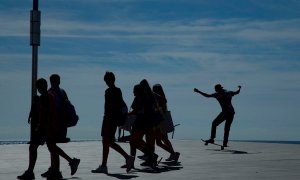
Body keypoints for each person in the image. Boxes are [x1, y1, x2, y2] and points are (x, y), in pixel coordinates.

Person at [92, 71, 134, 174]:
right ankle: (126, 158)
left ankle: (105, 165)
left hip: (108, 120)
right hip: (113, 120)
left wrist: (108, 118)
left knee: (106, 141)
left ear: (106, 80)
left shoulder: (109, 92)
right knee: (108, 142)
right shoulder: (118, 91)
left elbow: (109, 107)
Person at [40, 74, 80, 178]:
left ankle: (68, 162)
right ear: (59, 81)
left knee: (51, 145)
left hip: (55, 125)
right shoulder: (62, 92)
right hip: (63, 125)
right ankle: (54, 168)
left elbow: (51, 111)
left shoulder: (50, 93)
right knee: (51, 145)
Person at [17, 95, 45, 180]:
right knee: (51, 148)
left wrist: (39, 125)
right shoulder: (37, 102)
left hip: (41, 129)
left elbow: (40, 114)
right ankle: (30, 171)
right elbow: (33, 111)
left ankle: (30, 171)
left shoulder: (42, 100)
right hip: (39, 128)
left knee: (34, 147)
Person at [152, 84, 180, 162]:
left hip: (160, 122)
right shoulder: (162, 98)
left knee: (160, 141)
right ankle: (173, 154)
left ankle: (173, 153)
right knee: (163, 140)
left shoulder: (159, 99)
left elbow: (159, 109)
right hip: (162, 121)